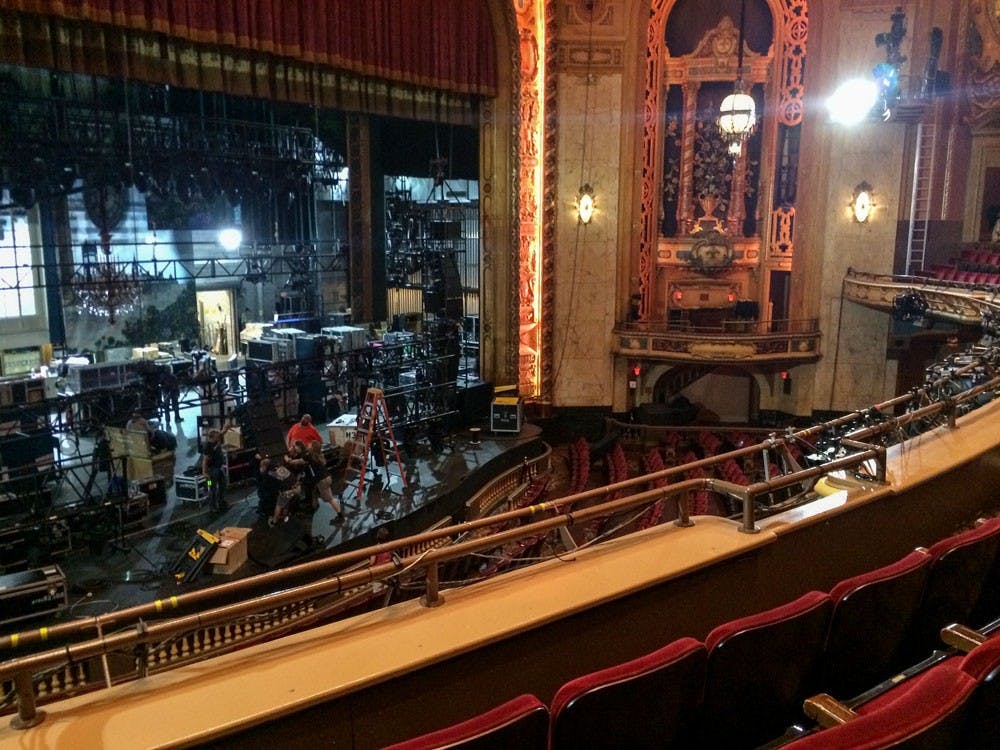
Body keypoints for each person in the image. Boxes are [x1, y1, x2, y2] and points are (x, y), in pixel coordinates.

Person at [305, 440, 344, 525]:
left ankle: (340, 516)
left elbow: (301, 460)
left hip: (322, 480)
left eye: (309, 444)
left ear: (312, 448)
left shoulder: (310, 456)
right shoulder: (319, 455)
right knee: (328, 496)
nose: (308, 445)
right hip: (327, 477)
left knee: (330, 499)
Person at [201, 425, 231, 513]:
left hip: (219, 469)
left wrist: (225, 428)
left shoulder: (216, 440)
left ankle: (221, 502)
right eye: (217, 435)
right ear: (213, 437)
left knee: (222, 485)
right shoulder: (208, 447)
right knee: (211, 488)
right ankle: (212, 506)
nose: (219, 436)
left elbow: (221, 433)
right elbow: (205, 460)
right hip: (211, 472)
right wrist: (204, 472)